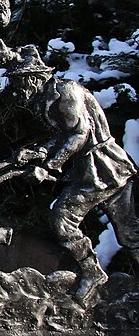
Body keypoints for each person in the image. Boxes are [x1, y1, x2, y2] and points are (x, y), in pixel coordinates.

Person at [8, 45, 139, 303]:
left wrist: (49, 167)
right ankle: (93, 273)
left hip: (101, 167)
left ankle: (92, 273)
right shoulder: (48, 96)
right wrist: (38, 153)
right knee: (131, 232)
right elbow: (63, 136)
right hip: (98, 168)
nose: (18, 90)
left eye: (20, 83)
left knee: (63, 218)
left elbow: (79, 134)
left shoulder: (66, 92)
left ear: (33, 78)